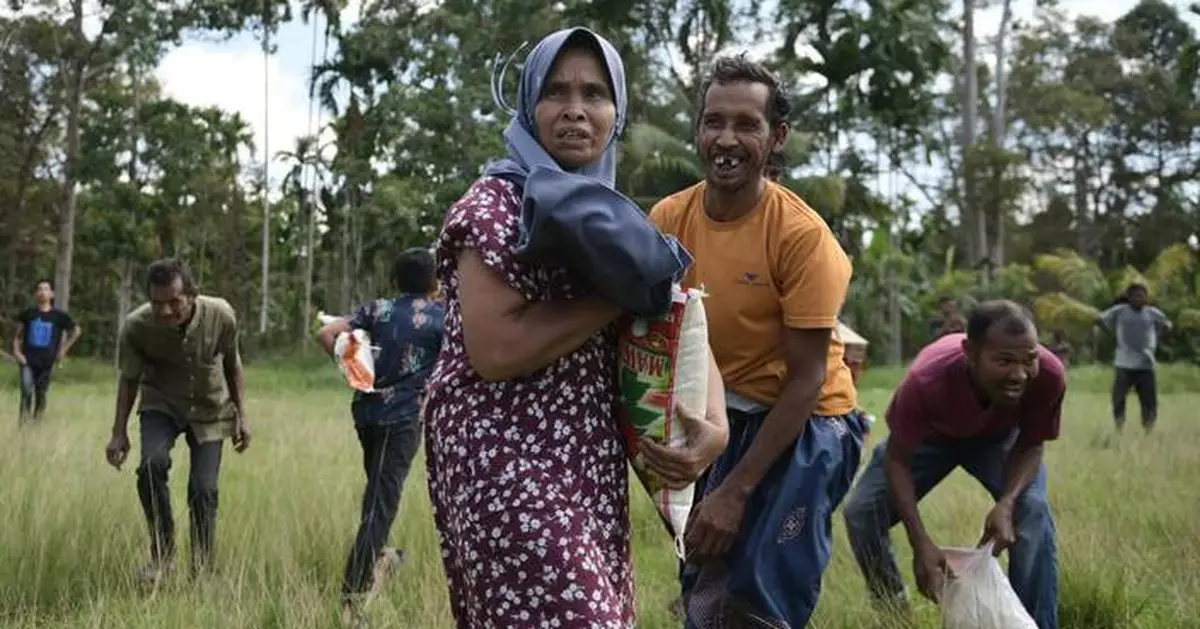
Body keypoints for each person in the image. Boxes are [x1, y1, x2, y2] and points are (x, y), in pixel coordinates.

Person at [424, 27, 729, 629]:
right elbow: (495, 350)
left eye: (594, 93)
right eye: (557, 91)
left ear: (616, 113)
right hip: (499, 457)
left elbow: (676, 314)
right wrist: (615, 296)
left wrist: (714, 429)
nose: (575, 110)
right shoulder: (492, 207)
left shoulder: (612, 220)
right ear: (528, 103)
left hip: (585, 460)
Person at [649, 54, 866, 628]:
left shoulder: (801, 237)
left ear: (777, 137)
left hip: (810, 421)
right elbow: (649, 340)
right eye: (714, 121)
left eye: (747, 124)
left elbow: (806, 380)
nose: (727, 138)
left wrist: (735, 491)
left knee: (760, 597)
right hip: (721, 415)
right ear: (698, 130)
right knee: (704, 577)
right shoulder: (669, 219)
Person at [842, 300, 1064, 629]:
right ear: (970, 353)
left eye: (1028, 360)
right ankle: (896, 613)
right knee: (861, 512)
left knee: (1030, 509)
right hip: (932, 440)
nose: (1019, 374)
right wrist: (921, 544)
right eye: (1004, 361)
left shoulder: (1048, 375)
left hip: (997, 439)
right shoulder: (926, 380)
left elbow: (1032, 443)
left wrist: (1007, 502)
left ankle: (1035, 623)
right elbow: (899, 460)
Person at [315, 248, 446, 627]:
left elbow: (327, 332)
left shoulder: (378, 309)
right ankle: (352, 602)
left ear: (395, 281)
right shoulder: (442, 318)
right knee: (380, 505)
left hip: (366, 414)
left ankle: (383, 557)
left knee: (376, 493)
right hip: (402, 420)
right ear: (435, 282)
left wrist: (353, 370)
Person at [104, 258, 251, 584]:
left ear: (193, 294)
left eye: (174, 302)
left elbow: (233, 365)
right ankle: (162, 552)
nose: (166, 311)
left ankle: (202, 568)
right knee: (151, 466)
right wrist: (118, 433)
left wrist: (242, 415)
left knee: (204, 488)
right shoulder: (137, 326)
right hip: (162, 403)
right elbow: (129, 379)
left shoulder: (221, 315)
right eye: (157, 303)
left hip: (210, 408)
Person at [1097, 283, 1171, 434]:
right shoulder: (1120, 311)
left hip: (1146, 364)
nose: (1139, 298)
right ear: (1129, 298)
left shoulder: (1152, 313)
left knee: (1149, 400)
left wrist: (1158, 337)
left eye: (1142, 295)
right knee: (1118, 398)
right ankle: (1119, 426)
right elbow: (1100, 319)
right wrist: (1112, 334)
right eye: (1136, 296)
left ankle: (1148, 429)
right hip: (1124, 364)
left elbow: (1167, 325)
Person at [12, 279, 82, 423]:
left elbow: (76, 330)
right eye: (39, 289)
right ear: (36, 294)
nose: (42, 292)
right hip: (27, 361)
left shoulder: (58, 315)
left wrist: (63, 350)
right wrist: (17, 353)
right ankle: (23, 424)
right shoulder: (28, 313)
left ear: (51, 294)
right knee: (26, 391)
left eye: (45, 289)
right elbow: (17, 336)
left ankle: (37, 424)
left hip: (47, 362)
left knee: (41, 394)